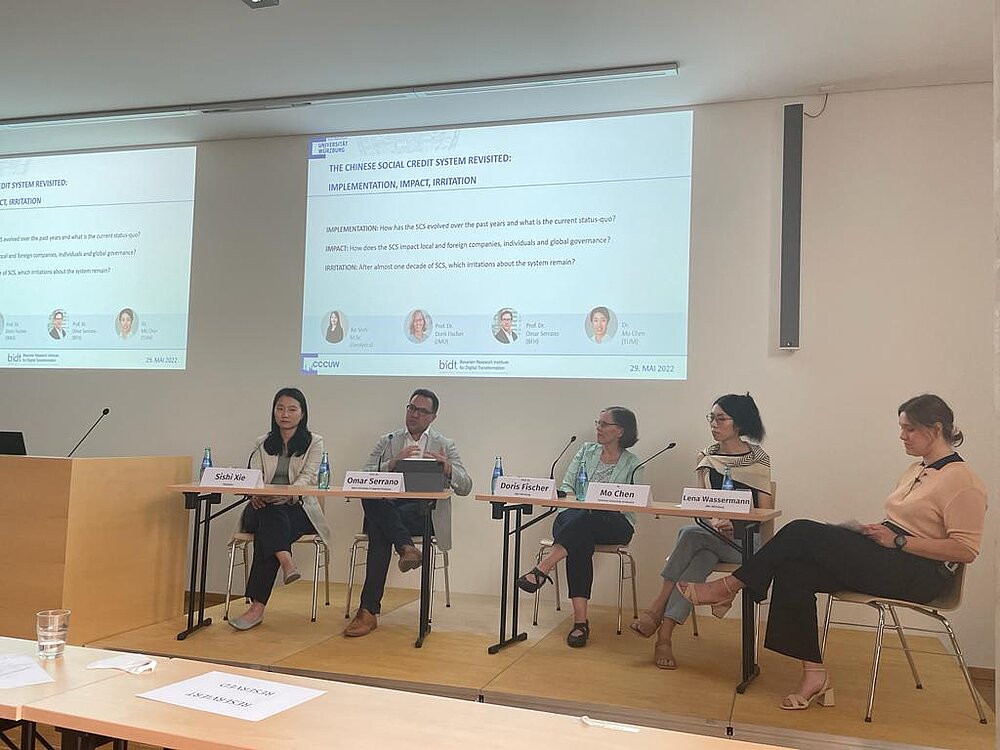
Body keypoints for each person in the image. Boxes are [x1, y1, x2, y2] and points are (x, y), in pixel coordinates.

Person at [677, 394, 986, 711]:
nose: (902, 436)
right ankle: (815, 675)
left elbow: (965, 550)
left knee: (800, 530)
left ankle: (729, 587)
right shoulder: (918, 469)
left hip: (917, 573)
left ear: (936, 429)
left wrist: (899, 541)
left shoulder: (962, 481)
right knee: (793, 570)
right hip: (891, 556)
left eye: (909, 429)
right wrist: (875, 532)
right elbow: (907, 521)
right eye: (901, 428)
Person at [630, 393, 770, 669]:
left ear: (739, 423)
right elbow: (703, 505)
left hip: (747, 543)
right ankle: (664, 636)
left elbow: (765, 512)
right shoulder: (708, 456)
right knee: (699, 557)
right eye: (712, 418)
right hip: (712, 537)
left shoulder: (758, 458)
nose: (714, 425)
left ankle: (657, 607)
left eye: (721, 419)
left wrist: (735, 523)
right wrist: (714, 517)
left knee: (690, 534)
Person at [344, 388, 472, 637]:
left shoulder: (444, 444)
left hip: (423, 513)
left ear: (432, 417)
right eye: (411, 408)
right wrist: (392, 463)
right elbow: (363, 476)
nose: (414, 414)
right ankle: (406, 547)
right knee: (373, 501)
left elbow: (466, 486)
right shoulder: (388, 441)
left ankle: (368, 611)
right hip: (390, 506)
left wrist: (448, 469)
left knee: (380, 526)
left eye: (422, 411)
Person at [515, 407, 643, 648]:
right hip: (574, 519)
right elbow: (567, 486)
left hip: (614, 523)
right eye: (598, 423)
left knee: (581, 528)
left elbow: (634, 500)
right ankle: (580, 622)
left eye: (604, 424)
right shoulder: (585, 450)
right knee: (580, 534)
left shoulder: (634, 463)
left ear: (620, 431)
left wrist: (598, 506)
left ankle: (544, 568)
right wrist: (583, 506)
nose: (598, 428)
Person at [228, 387, 331, 631]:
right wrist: (256, 493)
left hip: (297, 508)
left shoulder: (314, 442)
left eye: (292, 409)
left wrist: (287, 494)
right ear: (273, 412)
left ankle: (256, 609)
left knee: (270, 530)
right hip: (260, 507)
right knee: (270, 515)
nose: (285, 414)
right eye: (280, 408)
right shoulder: (262, 443)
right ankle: (286, 561)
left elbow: (309, 476)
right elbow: (254, 476)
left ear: (302, 414)